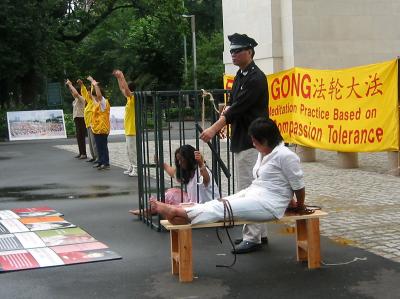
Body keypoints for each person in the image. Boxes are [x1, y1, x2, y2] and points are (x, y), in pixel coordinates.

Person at [152, 118, 306, 255]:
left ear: (265, 140)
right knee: (220, 202)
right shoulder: (265, 152)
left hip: (269, 204)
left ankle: (178, 212)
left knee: (225, 209)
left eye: (255, 141)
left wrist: (299, 205)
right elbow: (281, 182)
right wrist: (289, 200)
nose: (253, 144)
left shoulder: (286, 156)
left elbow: (298, 185)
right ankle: (184, 215)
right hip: (255, 193)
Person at [200, 33, 269, 253]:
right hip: (244, 137)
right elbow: (233, 104)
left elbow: (239, 108)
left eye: (237, 51)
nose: (233, 54)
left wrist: (213, 128)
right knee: (253, 187)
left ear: (249, 51)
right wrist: (226, 108)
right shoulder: (241, 75)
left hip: (252, 140)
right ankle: (260, 233)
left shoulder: (256, 77)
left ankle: (252, 237)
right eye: (231, 51)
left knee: (249, 190)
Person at [130, 145, 220, 215]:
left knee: (176, 210)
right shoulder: (187, 172)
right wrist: (162, 164)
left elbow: (206, 180)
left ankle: (159, 208)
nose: (180, 163)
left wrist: (201, 163)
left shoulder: (202, 171)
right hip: (193, 204)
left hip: (206, 208)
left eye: (181, 160)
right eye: (178, 160)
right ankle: (152, 210)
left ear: (189, 159)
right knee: (172, 193)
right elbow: (173, 173)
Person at [112, 70, 138, 177]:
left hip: (132, 129)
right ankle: (132, 166)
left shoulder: (133, 97)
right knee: (128, 150)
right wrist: (118, 78)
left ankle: (136, 168)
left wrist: (122, 77)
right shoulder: (129, 98)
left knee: (132, 150)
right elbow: (122, 88)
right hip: (128, 128)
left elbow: (126, 90)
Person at [87, 76, 111, 170]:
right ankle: (100, 161)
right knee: (99, 146)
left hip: (103, 128)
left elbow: (99, 96)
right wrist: (92, 82)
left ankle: (106, 163)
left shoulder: (103, 102)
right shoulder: (96, 102)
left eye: (96, 96)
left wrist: (96, 85)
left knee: (103, 146)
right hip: (97, 129)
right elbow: (93, 96)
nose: (94, 97)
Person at [78, 79, 98, 163]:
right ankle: (93, 156)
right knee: (90, 142)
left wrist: (92, 83)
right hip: (88, 124)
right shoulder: (89, 101)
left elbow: (92, 92)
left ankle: (97, 157)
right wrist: (82, 85)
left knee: (94, 142)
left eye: (90, 92)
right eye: (88, 92)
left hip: (93, 124)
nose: (88, 93)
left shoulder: (94, 101)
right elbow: (84, 93)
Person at [65, 79, 87, 159]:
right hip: (77, 119)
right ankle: (81, 152)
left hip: (81, 119)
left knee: (81, 136)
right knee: (78, 136)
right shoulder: (76, 100)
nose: (72, 93)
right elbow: (73, 93)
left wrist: (70, 84)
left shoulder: (81, 98)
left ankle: (84, 153)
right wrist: (69, 86)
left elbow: (76, 93)